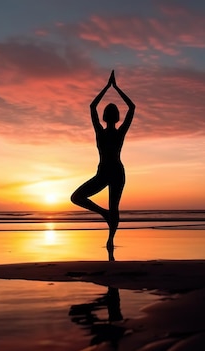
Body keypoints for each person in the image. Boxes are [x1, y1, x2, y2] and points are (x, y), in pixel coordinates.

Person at [71, 70, 135, 250]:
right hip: (111, 172)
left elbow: (93, 107)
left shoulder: (103, 132)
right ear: (115, 117)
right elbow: (131, 108)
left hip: (110, 171)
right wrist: (115, 87)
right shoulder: (115, 132)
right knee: (80, 198)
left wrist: (108, 87)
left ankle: (110, 239)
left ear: (105, 117)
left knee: (81, 198)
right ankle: (107, 222)